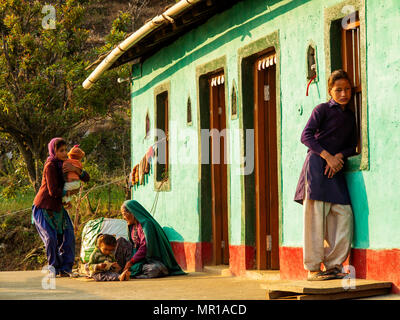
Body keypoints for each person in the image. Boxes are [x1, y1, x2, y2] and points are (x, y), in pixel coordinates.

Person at [294, 70, 358, 281]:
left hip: (335, 169)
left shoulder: (350, 116)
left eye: (347, 89)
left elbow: (352, 146)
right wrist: (327, 156)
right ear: (330, 90)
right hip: (316, 168)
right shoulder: (321, 109)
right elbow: (306, 136)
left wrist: (339, 156)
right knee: (315, 219)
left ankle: (333, 264)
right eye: (338, 89)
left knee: (344, 214)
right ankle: (313, 269)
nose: (343, 93)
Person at [32, 137, 90, 277]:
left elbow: (86, 178)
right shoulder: (50, 166)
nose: (65, 153)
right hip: (44, 207)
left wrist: (75, 169)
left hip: (58, 207)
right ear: (54, 151)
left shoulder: (66, 163)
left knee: (69, 235)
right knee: (51, 238)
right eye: (61, 150)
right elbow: (53, 191)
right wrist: (69, 192)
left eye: (65, 150)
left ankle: (66, 268)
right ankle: (54, 267)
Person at [114, 200, 186, 279]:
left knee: (155, 269)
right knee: (120, 241)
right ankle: (122, 271)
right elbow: (132, 245)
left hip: (148, 259)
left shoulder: (147, 224)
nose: (124, 218)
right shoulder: (132, 226)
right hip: (135, 258)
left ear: (132, 212)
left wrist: (131, 262)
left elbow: (145, 247)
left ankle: (132, 273)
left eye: (124, 214)